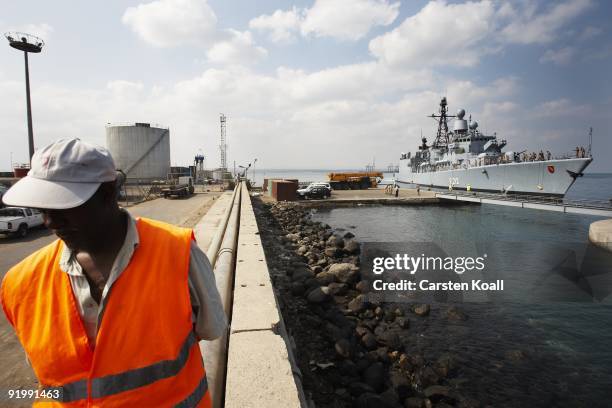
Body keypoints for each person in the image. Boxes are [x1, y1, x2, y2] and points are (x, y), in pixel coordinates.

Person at [1, 138, 225, 407]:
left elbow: (212, 330)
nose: (50, 221)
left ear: (108, 193)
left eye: (63, 205)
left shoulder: (179, 255)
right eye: (43, 207)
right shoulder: (21, 283)